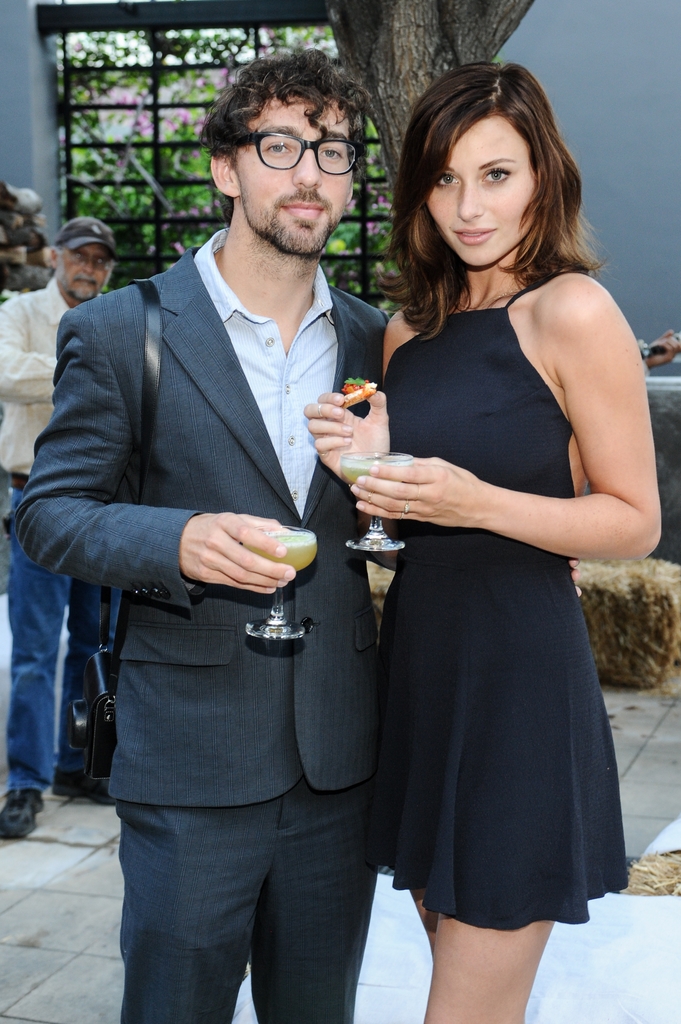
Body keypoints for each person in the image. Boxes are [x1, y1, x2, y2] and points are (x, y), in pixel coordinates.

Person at [16, 51, 385, 1024]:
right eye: (281, 145)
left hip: (338, 765)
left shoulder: (376, 343)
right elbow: (47, 514)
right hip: (188, 764)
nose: (310, 173)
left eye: (335, 151)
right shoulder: (119, 332)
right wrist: (176, 539)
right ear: (226, 167)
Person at [307, 62, 660, 1024]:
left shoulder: (571, 312)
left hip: (517, 689)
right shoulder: (405, 334)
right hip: (421, 675)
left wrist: (479, 502)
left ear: (541, 176)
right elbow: (397, 526)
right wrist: (371, 477)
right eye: (445, 178)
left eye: (495, 175)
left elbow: (633, 519)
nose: (468, 207)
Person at [0, 216, 118, 839]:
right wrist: (81, 365)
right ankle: (24, 781)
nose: (89, 268)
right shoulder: (18, 313)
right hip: (35, 505)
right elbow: (5, 373)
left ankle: (77, 764)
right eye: (80, 256)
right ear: (54, 255)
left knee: (92, 646)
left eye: (100, 260)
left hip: (99, 510)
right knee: (33, 654)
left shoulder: (114, 317)